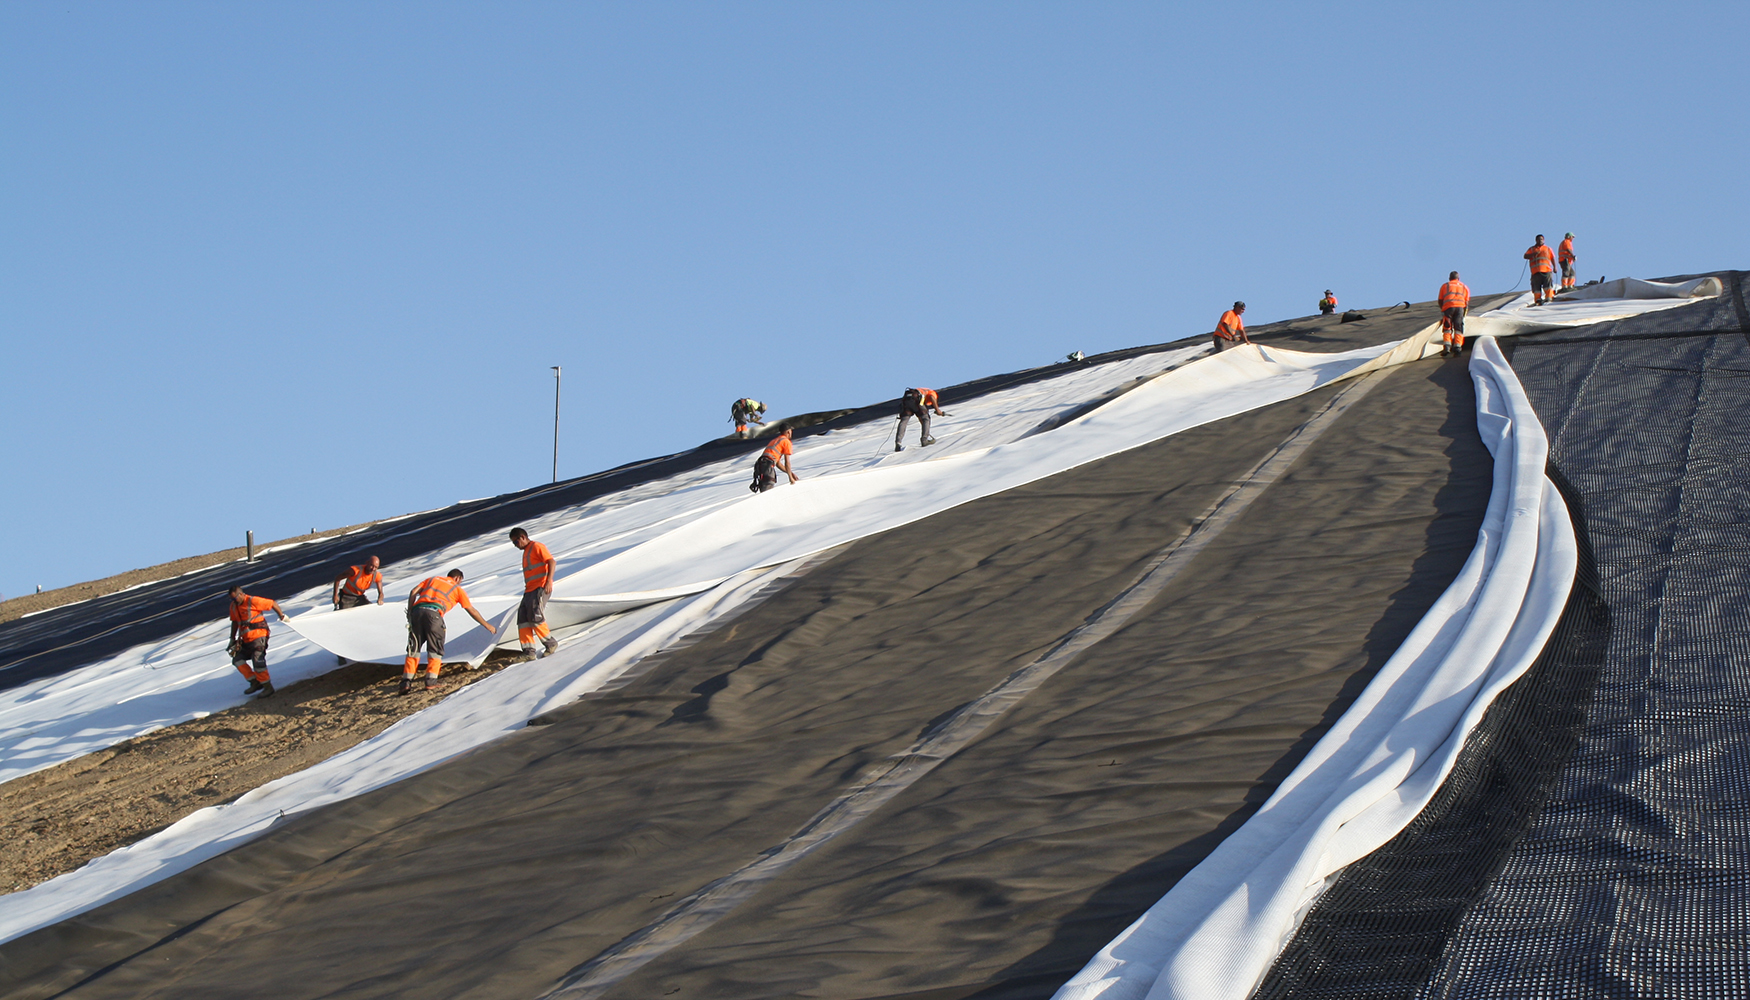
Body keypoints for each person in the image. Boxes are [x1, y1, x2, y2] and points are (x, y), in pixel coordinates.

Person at [402, 569, 496, 694]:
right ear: (457, 579)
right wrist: (487, 625)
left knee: (414, 649)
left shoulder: (432, 579)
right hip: (434, 614)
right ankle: (431, 681)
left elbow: (413, 592)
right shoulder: (457, 589)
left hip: (417, 612)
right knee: (435, 649)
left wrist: (410, 611)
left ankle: (406, 683)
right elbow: (471, 610)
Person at [227, 586, 289, 698]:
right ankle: (255, 682)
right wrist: (232, 639)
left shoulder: (252, 601)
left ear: (241, 594)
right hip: (245, 639)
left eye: (235, 598)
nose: (234, 601)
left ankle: (267, 687)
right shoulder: (233, 606)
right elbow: (235, 622)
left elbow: (272, 603)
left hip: (259, 636)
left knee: (258, 660)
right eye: (231, 599)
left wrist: (281, 615)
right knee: (237, 660)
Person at [509, 527, 558, 659]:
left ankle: (550, 643)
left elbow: (551, 561)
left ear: (522, 537)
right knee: (523, 619)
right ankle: (528, 652)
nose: (515, 545)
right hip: (529, 590)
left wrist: (548, 581)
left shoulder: (537, 546)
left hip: (540, 588)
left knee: (535, 616)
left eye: (516, 542)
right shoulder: (526, 552)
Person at [895, 387, 948, 452]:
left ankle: (898, 442)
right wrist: (937, 410)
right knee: (926, 419)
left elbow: (920, 416)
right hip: (916, 399)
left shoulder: (921, 391)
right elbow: (932, 397)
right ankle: (924, 440)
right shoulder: (933, 393)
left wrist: (924, 426)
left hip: (906, 401)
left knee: (904, 421)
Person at [752, 427, 798, 492]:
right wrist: (791, 478)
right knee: (768, 489)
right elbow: (787, 462)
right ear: (788, 432)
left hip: (761, 465)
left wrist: (790, 473)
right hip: (767, 466)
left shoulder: (775, 440)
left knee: (765, 487)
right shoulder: (786, 441)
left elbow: (778, 463)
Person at [1438, 271, 1472, 357]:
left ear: (1450, 278)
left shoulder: (1445, 286)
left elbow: (1440, 300)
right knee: (1458, 328)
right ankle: (1457, 348)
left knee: (1447, 327)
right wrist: (1464, 312)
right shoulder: (1464, 287)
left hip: (1448, 308)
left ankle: (1447, 347)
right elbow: (1466, 302)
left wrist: (1443, 308)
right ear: (1458, 278)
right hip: (1460, 308)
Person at [1525, 235, 1558, 305]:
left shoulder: (1548, 249)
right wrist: (1533, 254)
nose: (1540, 241)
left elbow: (1552, 258)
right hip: (1535, 272)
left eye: (1542, 239)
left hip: (1546, 271)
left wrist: (1555, 267)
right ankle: (1538, 300)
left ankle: (1549, 297)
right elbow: (1525, 256)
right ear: (1536, 240)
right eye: (1539, 239)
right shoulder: (1531, 249)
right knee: (1536, 288)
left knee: (1548, 286)